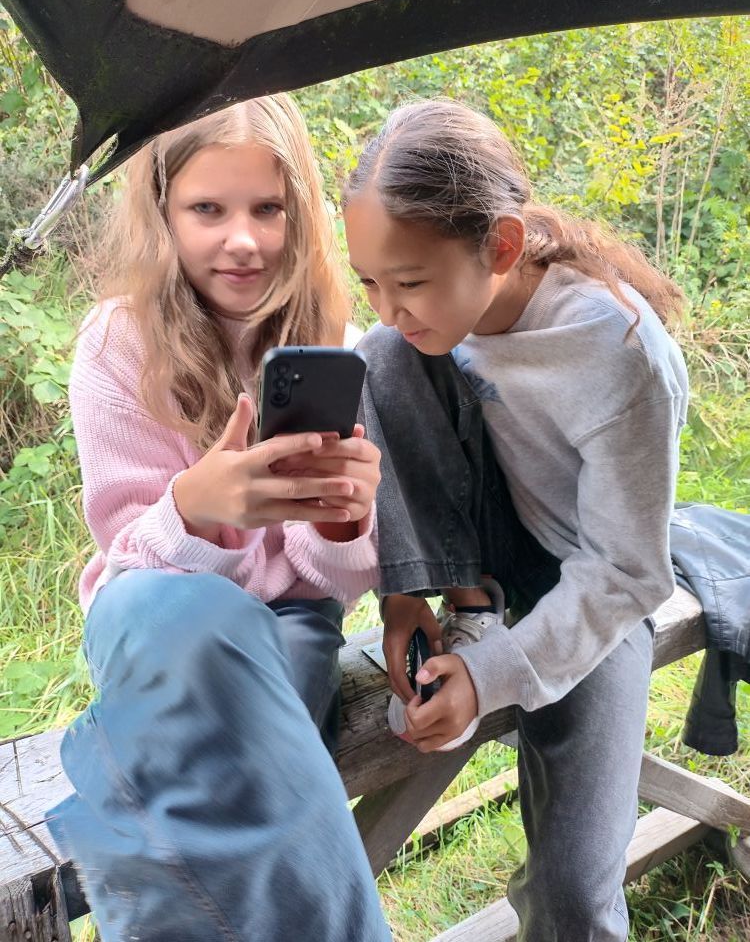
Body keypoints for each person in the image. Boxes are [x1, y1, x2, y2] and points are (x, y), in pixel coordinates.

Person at [47, 95, 391, 942]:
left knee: (244, 737)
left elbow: (332, 584)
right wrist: (195, 512)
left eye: (267, 209)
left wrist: (344, 526)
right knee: (203, 628)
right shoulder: (117, 345)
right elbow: (130, 558)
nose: (243, 239)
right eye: (208, 209)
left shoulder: (337, 345)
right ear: (163, 213)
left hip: (287, 623)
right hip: (153, 615)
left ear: (299, 213)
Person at [343, 99, 688, 941]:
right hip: (489, 557)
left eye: (410, 283)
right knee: (376, 356)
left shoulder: (617, 352)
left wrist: (493, 675)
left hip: (592, 585)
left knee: (573, 892)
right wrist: (403, 599)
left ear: (500, 246)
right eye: (370, 283)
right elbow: (404, 415)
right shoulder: (422, 326)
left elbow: (629, 572)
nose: (389, 306)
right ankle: (466, 602)